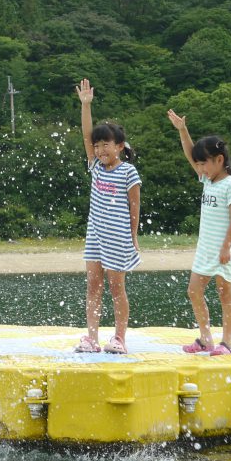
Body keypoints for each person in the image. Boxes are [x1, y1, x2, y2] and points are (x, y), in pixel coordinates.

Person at [166, 109, 231, 356]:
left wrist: (226, 247)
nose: (199, 167)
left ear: (219, 160)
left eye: (204, 163)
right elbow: (191, 154)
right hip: (205, 248)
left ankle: (227, 343)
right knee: (194, 290)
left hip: (224, 248)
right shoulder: (207, 179)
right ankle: (205, 338)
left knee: (224, 292)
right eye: (199, 164)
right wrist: (182, 129)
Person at [73, 78, 141, 355]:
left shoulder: (128, 172)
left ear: (120, 146)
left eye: (106, 145)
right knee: (93, 285)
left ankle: (119, 338)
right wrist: (86, 106)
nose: (100, 150)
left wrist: (133, 237)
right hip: (95, 235)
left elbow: (134, 208)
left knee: (116, 287)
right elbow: (85, 133)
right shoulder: (96, 167)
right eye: (97, 146)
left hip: (119, 237)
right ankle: (91, 338)